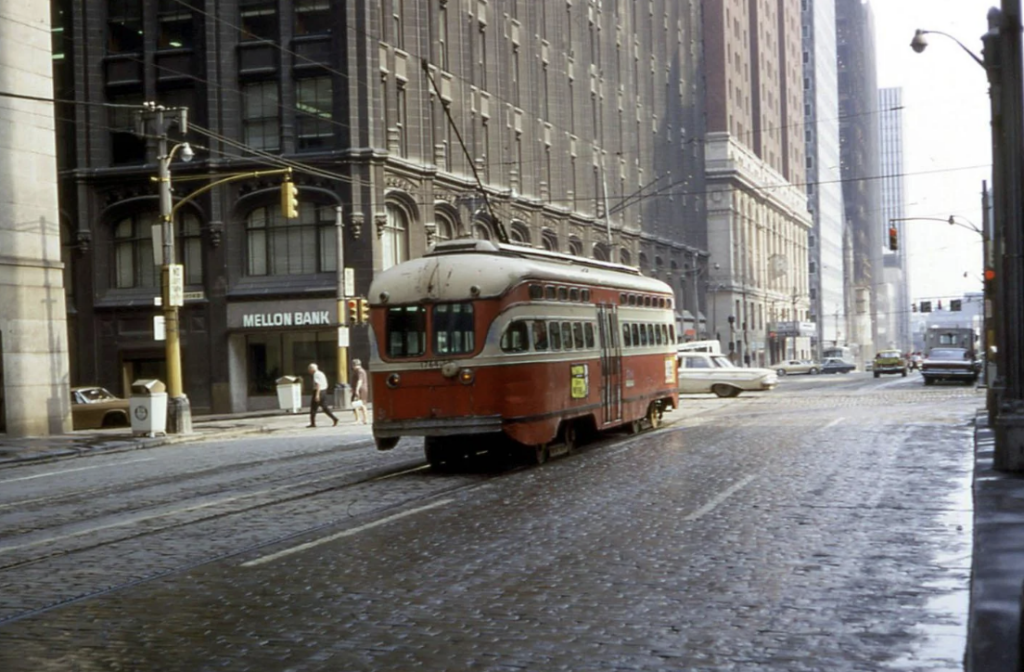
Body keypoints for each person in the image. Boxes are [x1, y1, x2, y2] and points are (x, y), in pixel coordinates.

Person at [307, 363, 338, 427]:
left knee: (313, 408)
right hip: (323, 391)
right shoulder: (321, 373)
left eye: (309, 369)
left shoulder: (316, 374)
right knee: (325, 407)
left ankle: (313, 423)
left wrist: (317, 395)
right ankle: (334, 418)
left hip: (318, 391)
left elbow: (318, 384)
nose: (309, 371)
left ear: (312, 369)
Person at [351, 359, 369, 424]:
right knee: (362, 404)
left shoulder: (359, 371)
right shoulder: (361, 371)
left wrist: (357, 389)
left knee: (356, 404)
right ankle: (365, 419)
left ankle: (359, 419)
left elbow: (360, 380)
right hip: (363, 389)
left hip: (360, 389)